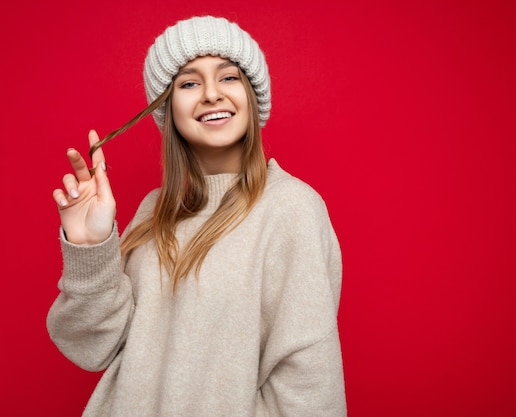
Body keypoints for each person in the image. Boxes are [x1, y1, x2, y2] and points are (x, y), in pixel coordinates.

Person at [47, 15, 346, 417]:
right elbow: (93, 347)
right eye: (189, 83)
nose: (210, 94)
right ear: (168, 109)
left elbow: (310, 385)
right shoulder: (154, 212)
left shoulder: (291, 209)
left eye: (228, 77)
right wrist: (91, 248)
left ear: (252, 94)